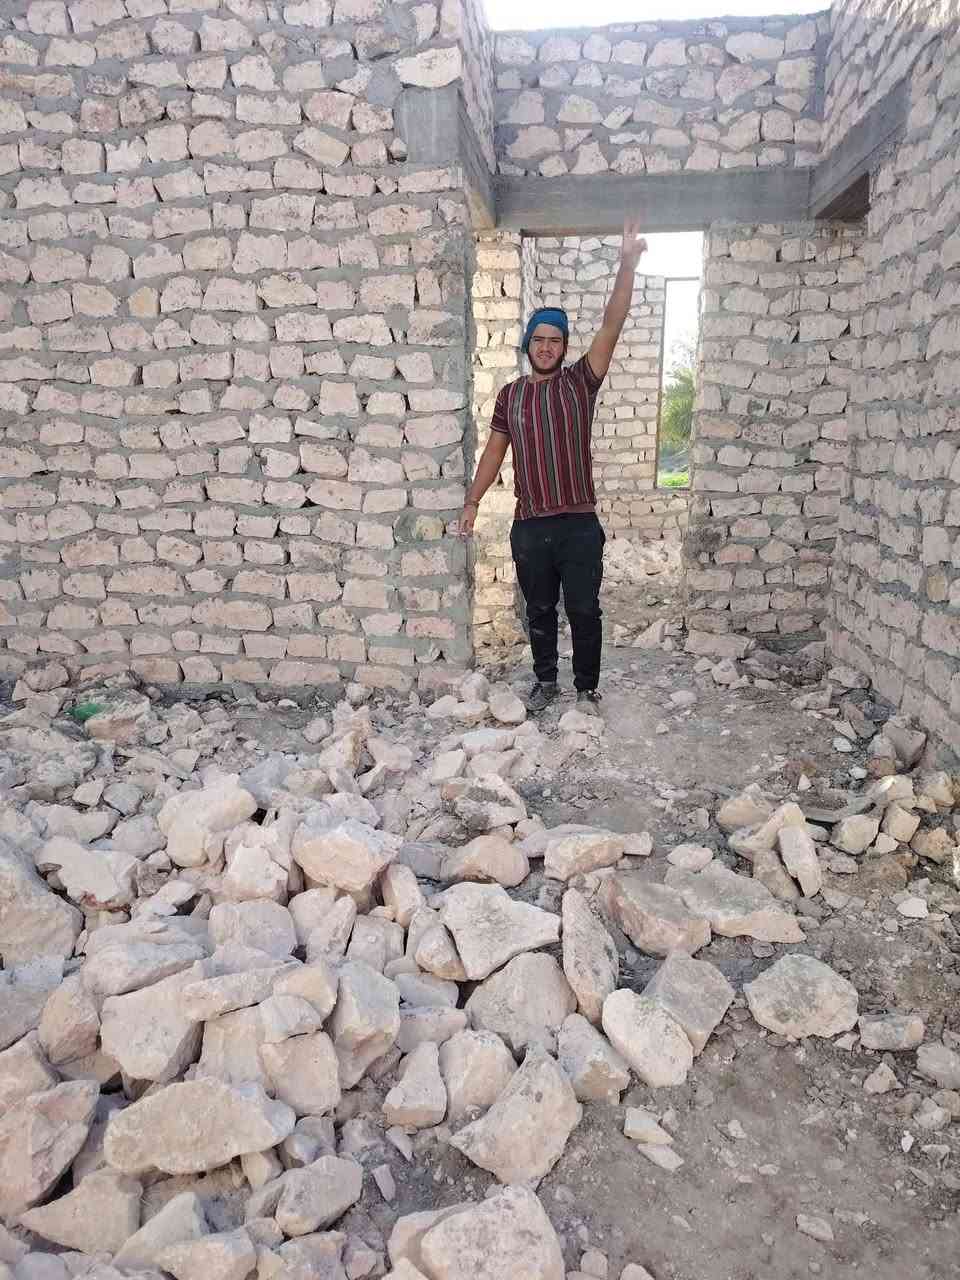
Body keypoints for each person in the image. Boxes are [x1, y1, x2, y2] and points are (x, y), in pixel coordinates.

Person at [459, 219, 648, 713]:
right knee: (539, 611)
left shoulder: (580, 382)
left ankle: (586, 688)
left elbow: (612, 324)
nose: (546, 347)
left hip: (578, 524)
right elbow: (494, 453)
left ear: (564, 347)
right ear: (528, 344)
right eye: (539, 339)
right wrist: (472, 501)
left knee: (584, 610)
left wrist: (627, 265)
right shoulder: (511, 396)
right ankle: (546, 682)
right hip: (531, 525)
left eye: (555, 340)